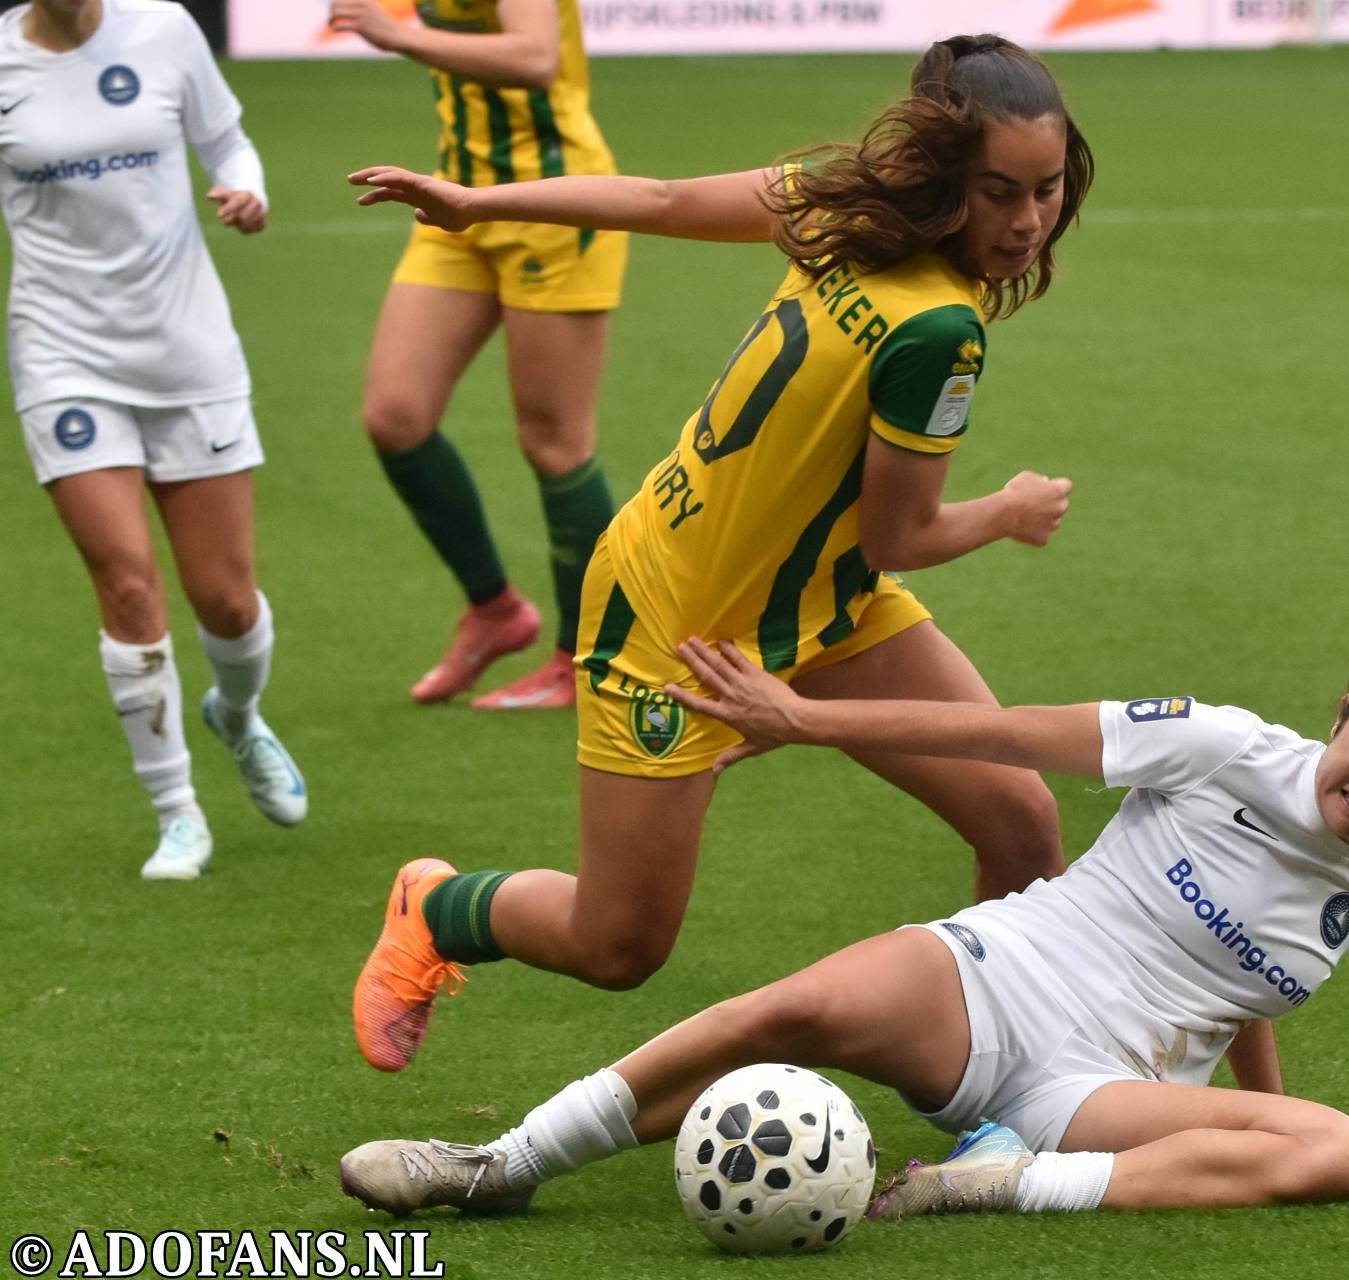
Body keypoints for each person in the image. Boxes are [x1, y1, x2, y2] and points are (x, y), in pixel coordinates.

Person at [342, 35, 1093, 1073]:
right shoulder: (936, 329)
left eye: (1047, 189)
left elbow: (652, 201)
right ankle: (437, 905)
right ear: (938, 175)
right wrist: (1008, 509)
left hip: (827, 600)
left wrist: (485, 203)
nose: (1025, 221)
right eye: (998, 191)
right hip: (675, 615)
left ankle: (1003, 1081)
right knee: (618, 944)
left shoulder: (837, 201)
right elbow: (902, 533)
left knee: (1019, 822)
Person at [339, 640, 1349, 1219]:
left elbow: (1251, 1002)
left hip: (1102, 1091)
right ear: (1343, 713)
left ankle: (992, 1183)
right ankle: (496, 1166)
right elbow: (1009, 734)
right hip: (1008, 970)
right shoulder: (1220, 744)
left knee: (1333, 1150)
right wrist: (807, 718)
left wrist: (1247, 1104)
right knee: (788, 1011)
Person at [1, 0, 306, 880]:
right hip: (61, 355)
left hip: (187, 352)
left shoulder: (164, 28)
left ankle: (239, 718)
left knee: (227, 600)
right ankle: (177, 813)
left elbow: (229, 142)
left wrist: (248, 190)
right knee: (126, 582)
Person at [326, 0, 629, 710]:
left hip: (552, 200)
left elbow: (533, 58)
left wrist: (398, 35)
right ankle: (494, 611)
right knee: (395, 416)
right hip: (453, 201)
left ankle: (586, 658)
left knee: (555, 444)